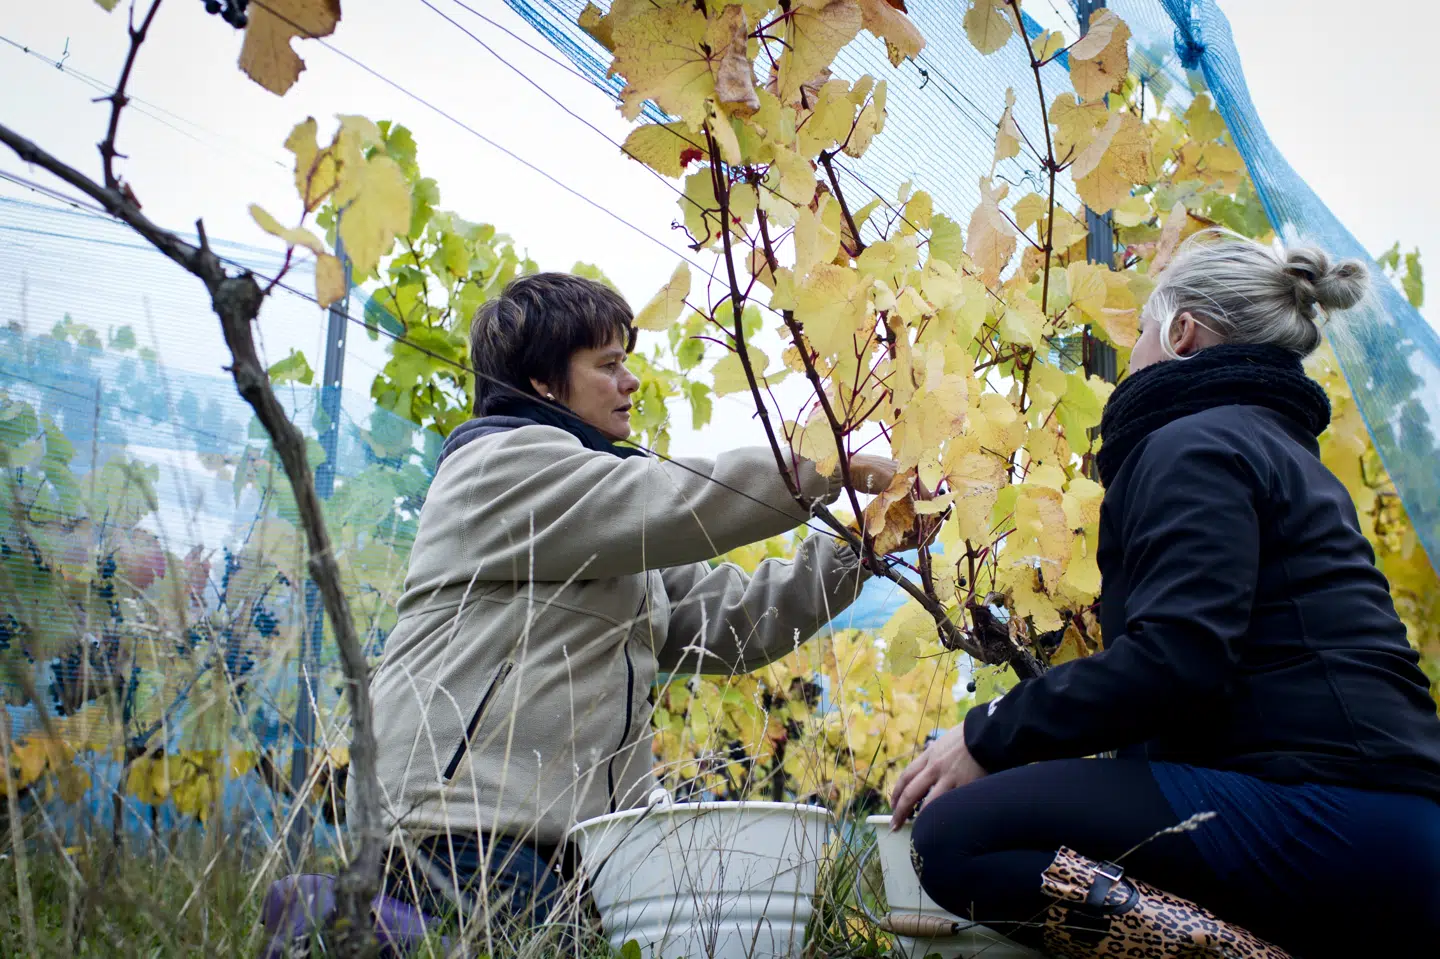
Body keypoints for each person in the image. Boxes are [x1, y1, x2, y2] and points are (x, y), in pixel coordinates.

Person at [889, 231, 1440, 959]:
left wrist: (987, 732)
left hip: (1331, 821)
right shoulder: (1276, 450)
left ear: (1181, 334)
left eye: (1142, 330)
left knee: (957, 837)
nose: (1132, 354)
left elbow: (1178, 657)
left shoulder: (1195, 443)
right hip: (1386, 828)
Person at [369, 272, 892, 927]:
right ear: (542, 381)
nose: (631, 381)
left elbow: (735, 624)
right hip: (456, 826)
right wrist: (830, 463)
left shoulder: (603, 520)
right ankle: (341, 919)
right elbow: (675, 499)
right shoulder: (498, 467)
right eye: (608, 364)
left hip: (574, 846)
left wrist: (867, 543)